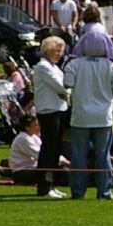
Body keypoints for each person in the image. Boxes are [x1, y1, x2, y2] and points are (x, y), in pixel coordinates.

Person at [66, 29, 113, 201]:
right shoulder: (110, 65)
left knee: (78, 156)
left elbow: (67, 83)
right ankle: (104, 192)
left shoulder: (74, 64)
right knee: (103, 156)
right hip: (103, 117)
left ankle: (78, 192)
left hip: (80, 116)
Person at [32, 36, 71, 200]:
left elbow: (66, 87)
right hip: (48, 111)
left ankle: (51, 184)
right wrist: (66, 92)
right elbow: (62, 87)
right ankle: (44, 186)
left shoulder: (55, 67)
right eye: (56, 50)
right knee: (48, 148)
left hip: (60, 109)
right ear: (47, 50)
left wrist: (65, 92)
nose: (59, 54)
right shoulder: (43, 67)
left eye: (61, 51)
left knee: (56, 149)